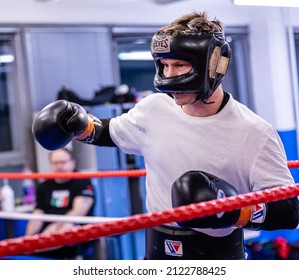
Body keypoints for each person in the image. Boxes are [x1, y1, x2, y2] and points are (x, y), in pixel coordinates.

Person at [31, 11, 299, 260]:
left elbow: (289, 211)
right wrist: (78, 126)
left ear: (214, 65)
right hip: (156, 253)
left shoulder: (255, 132)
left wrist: (232, 212)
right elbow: (110, 132)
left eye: (180, 65)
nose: (169, 76)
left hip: (219, 257)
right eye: (164, 65)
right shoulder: (153, 109)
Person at [25, 148, 95, 259]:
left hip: (73, 232)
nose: (59, 166)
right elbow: (38, 213)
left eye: (63, 162)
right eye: (55, 163)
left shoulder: (83, 181)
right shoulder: (44, 186)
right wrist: (28, 238)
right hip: (47, 234)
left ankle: (36, 248)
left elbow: (78, 212)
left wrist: (56, 227)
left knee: (68, 227)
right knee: (29, 236)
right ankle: (30, 248)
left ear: (73, 162)